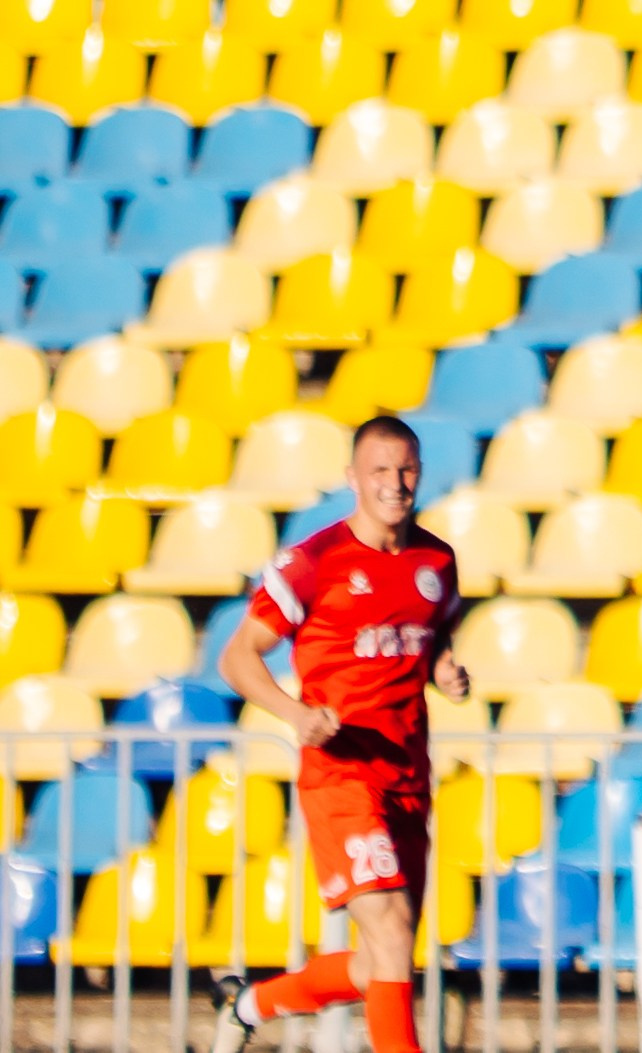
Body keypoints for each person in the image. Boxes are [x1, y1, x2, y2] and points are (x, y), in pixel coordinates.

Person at [211, 416, 466, 1053]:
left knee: (384, 957)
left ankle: (249, 1005)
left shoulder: (437, 560)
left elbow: (429, 639)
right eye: (380, 469)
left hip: (408, 775)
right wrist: (296, 715)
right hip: (341, 776)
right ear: (353, 478)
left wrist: (445, 670)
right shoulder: (313, 562)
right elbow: (238, 658)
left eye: (406, 468)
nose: (395, 482)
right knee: (392, 925)